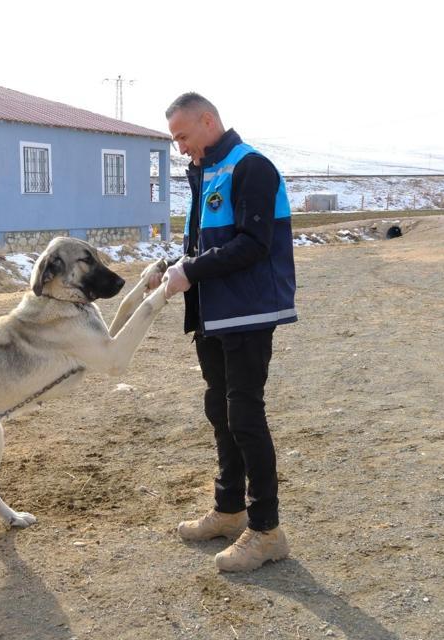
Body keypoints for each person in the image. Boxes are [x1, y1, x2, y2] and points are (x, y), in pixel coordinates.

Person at [156, 92, 297, 572]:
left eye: (182, 136)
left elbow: (253, 244)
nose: (179, 148)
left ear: (208, 121)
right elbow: (204, 243)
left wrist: (191, 272)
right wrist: (171, 266)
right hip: (214, 315)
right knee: (220, 409)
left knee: (245, 417)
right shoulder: (207, 170)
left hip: (247, 314)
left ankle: (266, 530)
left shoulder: (250, 167)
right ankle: (229, 509)